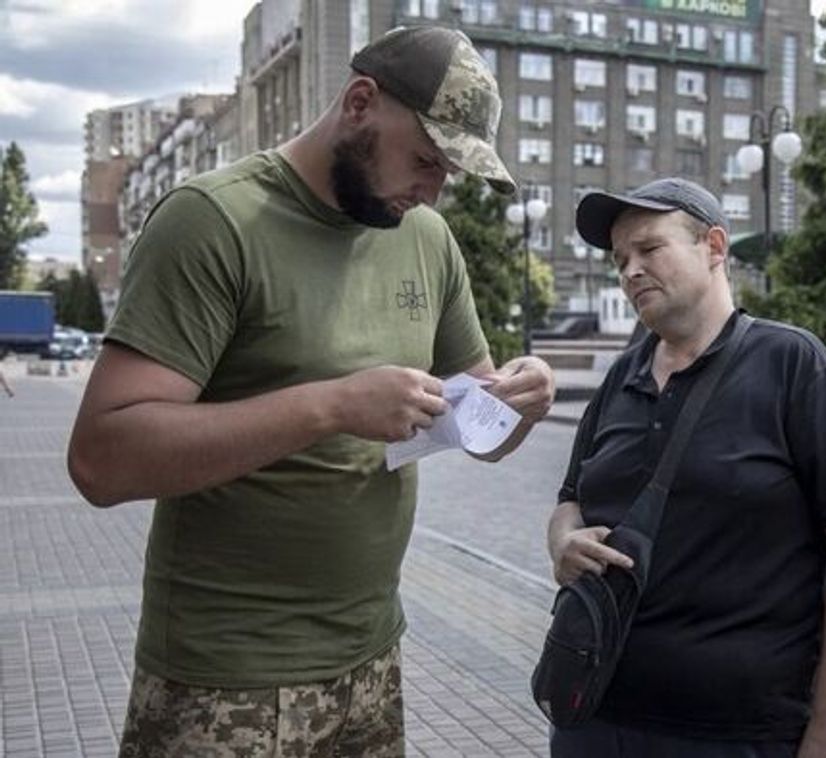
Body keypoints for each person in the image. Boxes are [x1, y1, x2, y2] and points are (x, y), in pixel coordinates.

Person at [67, 26, 554, 757]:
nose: (433, 190)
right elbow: (102, 461)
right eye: (427, 160)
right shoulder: (214, 221)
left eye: (450, 171)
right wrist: (331, 406)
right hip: (227, 679)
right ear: (359, 103)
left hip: (372, 662)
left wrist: (523, 403)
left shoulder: (424, 236)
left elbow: (479, 426)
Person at [549, 178, 826, 757]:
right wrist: (562, 540)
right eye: (620, 259)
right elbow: (570, 499)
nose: (631, 271)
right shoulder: (621, 377)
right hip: (593, 714)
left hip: (740, 733)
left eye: (649, 248)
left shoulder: (792, 364)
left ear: (713, 247)